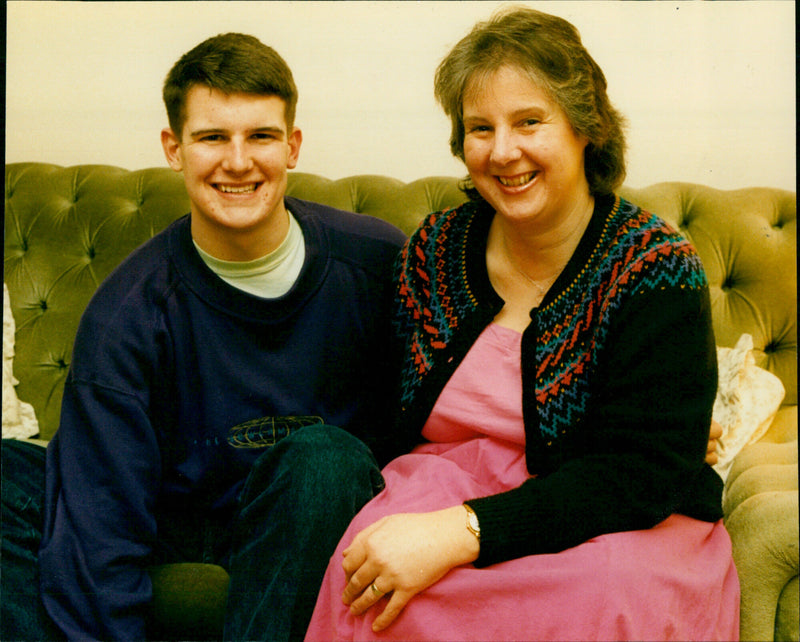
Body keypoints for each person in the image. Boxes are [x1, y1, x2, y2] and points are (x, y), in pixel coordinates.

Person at [305, 8, 739, 641]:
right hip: (436, 490)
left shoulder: (654, 266)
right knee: (380, 585)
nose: (502, 151)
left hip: (608, 519)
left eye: (529, 121)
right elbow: (380, 412)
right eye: (480, 128)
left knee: (605, 594)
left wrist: (464, 531)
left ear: (584, 128)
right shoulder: (435, 249)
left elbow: (641, 472)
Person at [2, 32, 414, 642]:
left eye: (261, 136)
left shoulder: (380, 264)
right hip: (180, 513)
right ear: (174, 148)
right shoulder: (128, 311)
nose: (238, 161)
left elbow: (437, 424)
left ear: (293, 146)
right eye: (213, 137)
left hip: (317, 505)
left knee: (323, 457)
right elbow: (104, 520)